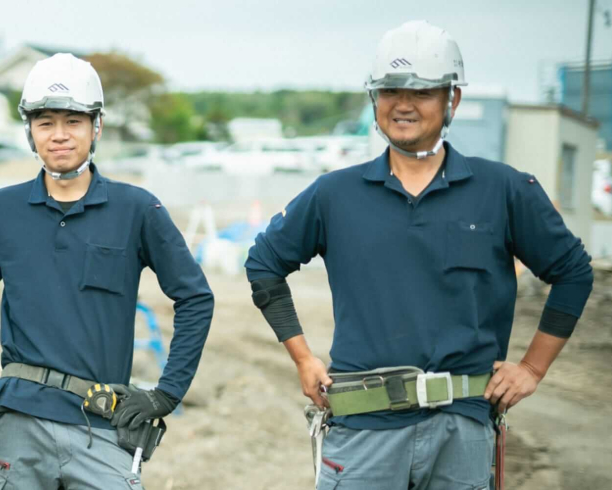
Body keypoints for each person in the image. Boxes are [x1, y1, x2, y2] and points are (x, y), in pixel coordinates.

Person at [245, 20, 594, 489]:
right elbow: (264, 263)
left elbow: (573, 271)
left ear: (453, 99)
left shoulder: (505, 190)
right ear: (374, 98)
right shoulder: (335, 194)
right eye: (390, 90)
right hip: (361, 434)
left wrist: (531, 368)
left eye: (423, 91)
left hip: (462, 434)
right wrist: (304, 357)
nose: (403, 104)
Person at [0, 53, 215, 489]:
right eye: (45, 122)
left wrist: (167, 393)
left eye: (73, 121)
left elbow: (195, 298)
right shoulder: (0, 209)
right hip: (19, 427)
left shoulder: (137, 209)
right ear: (29, 130)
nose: (59, 135)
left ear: (97, 127)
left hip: (103, 429)